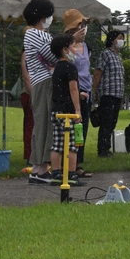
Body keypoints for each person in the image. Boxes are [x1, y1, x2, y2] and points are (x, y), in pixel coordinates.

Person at [23, 0, 57, 183]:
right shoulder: (37, 34)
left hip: (39, 82)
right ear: (42, 16)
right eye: (49, 15)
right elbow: (54, 55)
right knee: (46, 123)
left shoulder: (31, 34)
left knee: (41, 123)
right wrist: (69, 43)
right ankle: (42, 168)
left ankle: (38, 167)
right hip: (45, 82)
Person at [48, 34, 85, 187]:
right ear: (65, 50)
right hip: (69, 113)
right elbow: (72, 88)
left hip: (57, 111)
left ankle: (56, 173)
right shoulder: (71, 67)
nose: (76, 50)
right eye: (73, 46)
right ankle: (70, 174)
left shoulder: (57, 68)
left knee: (57, 144)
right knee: (72, 145)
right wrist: (78, 110)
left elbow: (61, 88)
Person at [64, 10, 93, 178]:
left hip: (87, 90)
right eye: (79, 25)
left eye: (84, 25)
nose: (83, 29)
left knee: (83, 129)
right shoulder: (67, 46)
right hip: (74, 89)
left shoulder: (86, 45)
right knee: (74, 128)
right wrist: (73, 41)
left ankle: (79, 163)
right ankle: (70, 165)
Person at [92, 30, 126, 158]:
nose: (121, 40)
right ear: (112, 40)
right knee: (106, 121)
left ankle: (106, 147)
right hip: (108, 93)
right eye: (119, 38)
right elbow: (98, 72)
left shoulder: (117, 55)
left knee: (113, 121)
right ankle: (103, 149)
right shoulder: (106, 54)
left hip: (117, 93)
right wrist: (95, 90)